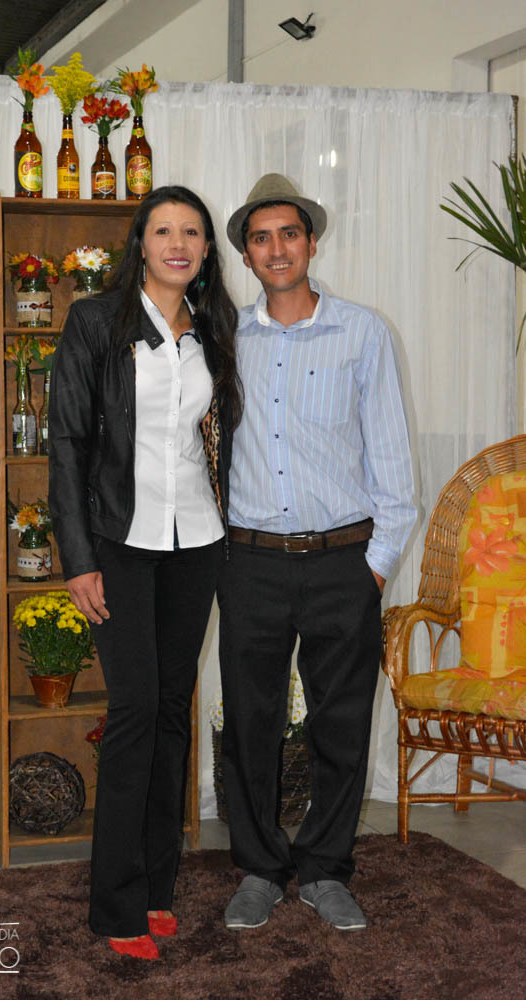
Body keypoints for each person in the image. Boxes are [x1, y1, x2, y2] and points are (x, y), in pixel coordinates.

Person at [48, 185, 242, 960]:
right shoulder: (97, 321)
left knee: (170, 711)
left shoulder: (213, 328)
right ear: (140, 242)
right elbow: (67, 442)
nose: (177, 243)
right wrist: (78, 559)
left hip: (197, 542)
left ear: (205, 250)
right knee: (133, 710)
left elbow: (219, 439)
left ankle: (158, 889)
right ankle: (115, 905)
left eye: (191, 232)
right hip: (119, 542)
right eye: (163, 230)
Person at [218, 173, 416, 933]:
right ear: (245, 254)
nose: (276, 249)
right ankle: (260, 869)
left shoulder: (362, 333)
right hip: (250, 562)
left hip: (343, 561)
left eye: (289, 234)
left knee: (342, 723)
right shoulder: (223, 338)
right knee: (250, 724)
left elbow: (391, 458)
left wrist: (375, 566)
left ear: (310, 243)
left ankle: (328, 868)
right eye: (260, 238)